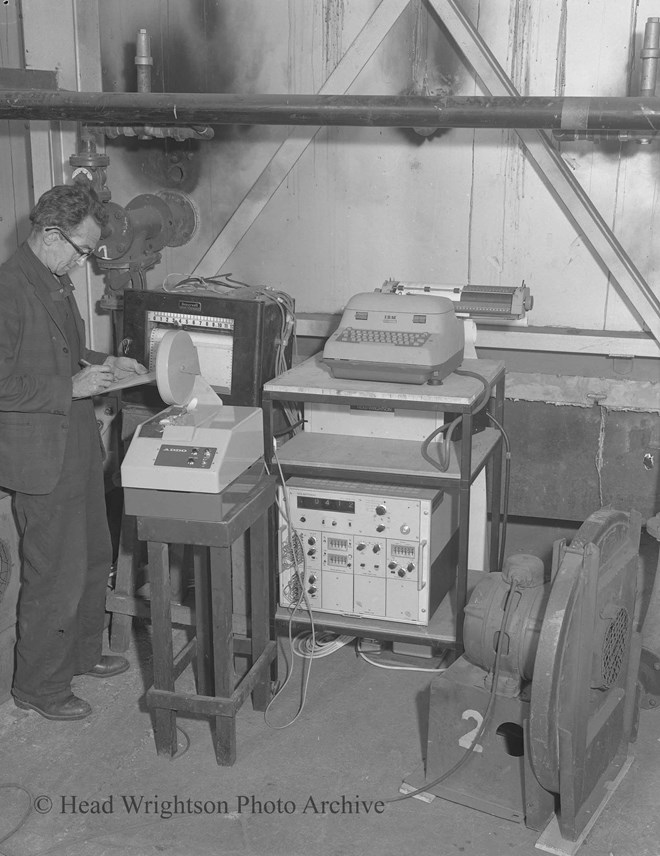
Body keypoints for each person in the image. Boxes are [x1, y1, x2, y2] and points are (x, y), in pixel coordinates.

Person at [0, 184, 147, 721]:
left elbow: (64, 352)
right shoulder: (8, 289)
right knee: (55, 573)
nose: (84, 263)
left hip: (78, 442)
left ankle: (82, 654)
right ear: (49, 234)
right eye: (82, 250)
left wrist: (107, 363)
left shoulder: (54, 281)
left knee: (93, 556)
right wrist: (71, 386)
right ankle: (40, 686)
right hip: (41, 453)